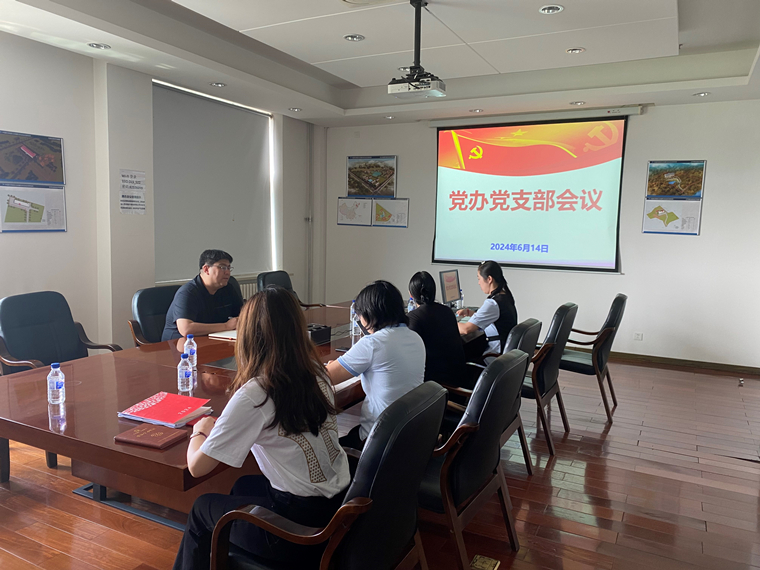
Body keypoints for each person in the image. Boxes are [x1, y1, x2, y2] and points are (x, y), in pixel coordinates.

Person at [173, 287, 350, 570]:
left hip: (300, 531)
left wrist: (201, 430)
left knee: (201, 509)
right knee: (243, 485)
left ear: (247, 336)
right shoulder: (317, 372)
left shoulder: (258, 392)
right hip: (336, 508)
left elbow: (197, 467)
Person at [326, 280, 424, 450]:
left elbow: (326, 377)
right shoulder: (415, 337)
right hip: (408, 435)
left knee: (328, 449)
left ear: (369, 315)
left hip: (378, 442)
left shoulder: (373, 343)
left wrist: (331, 366)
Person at [162, 249, 244, 341]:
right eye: (222, 267)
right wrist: (226, 326)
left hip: (213, 339)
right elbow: (186, 329)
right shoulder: (187, 292)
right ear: (206, 269)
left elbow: (243, 314)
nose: (227, 272)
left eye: (229, 268)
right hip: (179, 344)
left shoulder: (228, 288)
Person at [407, 271, 468, 387]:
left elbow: (409, 355)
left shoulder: (414, 318)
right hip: (458, 380)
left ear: (411, 294)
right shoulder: (447, 311)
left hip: (436, 386)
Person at [457, 260, 518, 358]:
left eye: (479, 279)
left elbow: (466, 329)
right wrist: (471, 313)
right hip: (505, 354)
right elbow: (494, 317)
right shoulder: (505, 296)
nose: (479, 283)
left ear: (489, 279)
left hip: (494, 356)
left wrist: (449, 322)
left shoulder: (493, 303)